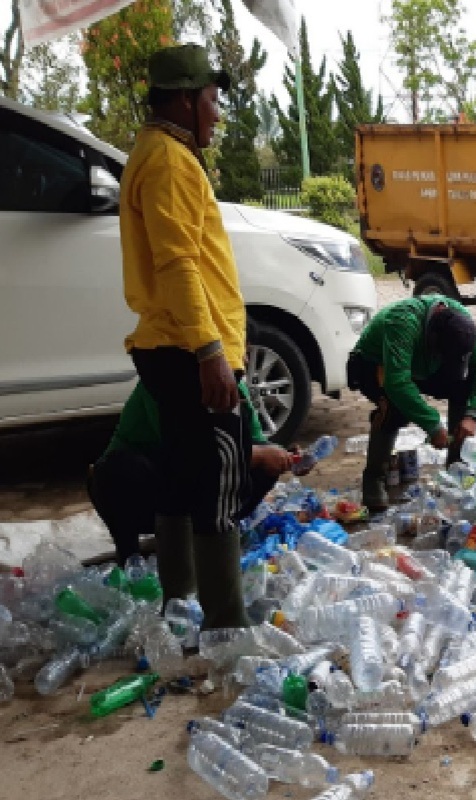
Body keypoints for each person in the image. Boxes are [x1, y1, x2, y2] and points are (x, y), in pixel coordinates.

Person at [120, 44, 251, 628]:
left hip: (166, 346)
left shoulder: (153, 153)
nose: (217, 113)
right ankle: (226, 623)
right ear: (184, 100)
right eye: (212, 100)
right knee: (217, 481)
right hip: (188, 347)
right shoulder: (170, 163)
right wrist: (210, 352)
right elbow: (177, 265)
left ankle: (179, 602)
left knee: (178, 476)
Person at [88, 382, 303, 566]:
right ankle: (130, 558)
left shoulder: (236, 386)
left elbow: (255, 442)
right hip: (147, 487)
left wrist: (284, 457)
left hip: (190, 487)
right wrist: (258, 454)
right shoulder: (161, 382)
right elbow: (188, 453)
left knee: (266, 462)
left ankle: (208, 536)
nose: (245, 356)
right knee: (118, 470)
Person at [348, 295, 476, 513]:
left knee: (465, 383)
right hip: (373, 365)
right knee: (395, 408)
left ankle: (456, 466)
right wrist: (433, 425)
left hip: (421, 366)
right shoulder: (403, 322)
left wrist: (472, 416)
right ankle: (373, 479)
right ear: (432, 339)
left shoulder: (461, 323)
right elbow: (396, 383)